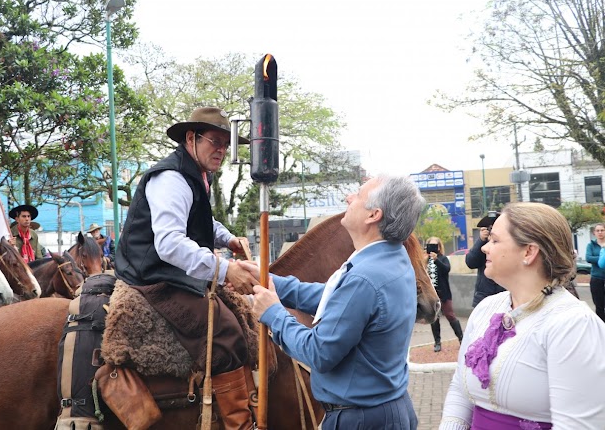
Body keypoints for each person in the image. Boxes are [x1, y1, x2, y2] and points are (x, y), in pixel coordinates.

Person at [243, 175, 426, 430]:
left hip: (360, 420)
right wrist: (268, 280)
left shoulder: (365, 277)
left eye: (358, 195)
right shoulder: (390, 259)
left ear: (373, 215)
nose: (348, 198)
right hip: (384, 411)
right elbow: (334, 299)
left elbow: (319, 352)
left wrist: (273, 313)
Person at [115, 107, 258, 429]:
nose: (221, 150)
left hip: (168, 269)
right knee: (225, 330)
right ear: (191, 138)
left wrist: (226, 238)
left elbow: (199, 219)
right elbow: (169, 244)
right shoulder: (172, 178)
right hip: (150, 274)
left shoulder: (195, 174)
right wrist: (225, 270)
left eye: (226, 144)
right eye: (215, 142)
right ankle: (239, 424)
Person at [439, 202, 605, 429]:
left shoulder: (573, 324)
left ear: (529, 251)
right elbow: (460, 389)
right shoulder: (487, 308)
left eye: (495, 240)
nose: (485, 248)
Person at [426, 236, 463, 352]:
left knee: (450, 315)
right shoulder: (425, 260)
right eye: (430, 245)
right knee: (434, 318)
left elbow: (447, 269)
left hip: (444, 293)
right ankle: (437, 342)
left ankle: (461, 338)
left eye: (435, 245)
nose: (433, 248)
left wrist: (437, 259)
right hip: (431, 294)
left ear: (439, 247)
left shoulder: (443, 259)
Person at [465, 211, 505, 307]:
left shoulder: (508, 245)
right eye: (489, 228)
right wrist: (481, 240)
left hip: (504, 294)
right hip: (484, 296)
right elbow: (470, 262)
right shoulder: (483, 246)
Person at [587, 223, 605, 322]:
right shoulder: (591, 245)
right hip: (596, 278)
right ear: (594, 233)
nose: (600, 232)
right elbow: (588, 258)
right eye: (597, 230)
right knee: (599, 305)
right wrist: (602, 258)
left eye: (602, 230)